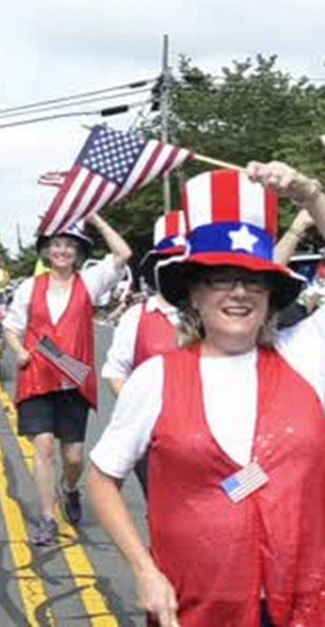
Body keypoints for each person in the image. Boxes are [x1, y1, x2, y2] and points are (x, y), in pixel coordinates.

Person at [88, 163, 325, 627]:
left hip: (302, 602)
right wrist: (145, 571)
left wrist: (309, 194)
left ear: (271, 293)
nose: (239, 293)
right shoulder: (155, 379)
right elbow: (103, 479)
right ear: (193, 293)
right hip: (198, 605)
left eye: (253, 280)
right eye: (221, 278)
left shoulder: (303, 353)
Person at [2, 216, 131, 544]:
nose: (62, 251)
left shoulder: (89, 282)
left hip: (73, 378)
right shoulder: (30, 286)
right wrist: (19, 351)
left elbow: (123, 254)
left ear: (78, 253)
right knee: (43, 446)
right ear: (47, 251)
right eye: (56, 245)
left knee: (73, 456)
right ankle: (48, 516)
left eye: (69, 246)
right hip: (38, 377)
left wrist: (98, 220)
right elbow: (12, 327)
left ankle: (70, 488)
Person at [99, 210, 187, 496]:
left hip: (219, 443)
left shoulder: (216, 316)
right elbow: (115, 373)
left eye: (184, 260)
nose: (176, 268)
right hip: (155, 441)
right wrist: (147, 416)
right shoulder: (138, 316)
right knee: (166, 516)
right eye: (168, 260)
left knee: (227, 509)